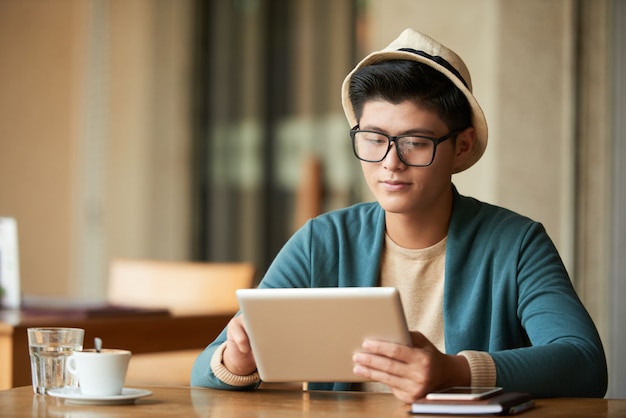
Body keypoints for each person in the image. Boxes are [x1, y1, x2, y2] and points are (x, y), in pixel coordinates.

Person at [190, 28, 608, 402]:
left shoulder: (516, 243)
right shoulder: (324, 239)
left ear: (461, 146)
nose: (390, 162)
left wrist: (456, 372)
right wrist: (238, 358)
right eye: (373, 139)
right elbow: (204, 369)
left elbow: (585, 362)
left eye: (415, 142)